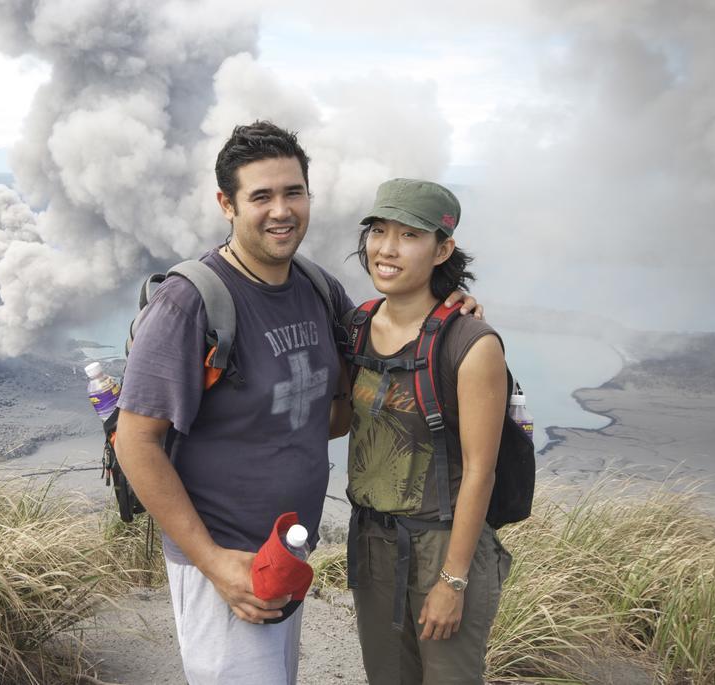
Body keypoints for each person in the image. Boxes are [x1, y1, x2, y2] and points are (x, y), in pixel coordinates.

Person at [114, 123, 480, 684]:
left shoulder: (316, 286)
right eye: (260, 196)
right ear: (227, 205)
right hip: (228, 560)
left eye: (293, 192)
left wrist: (446, 304)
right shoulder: (190, 303)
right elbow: (136, 441)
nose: (281, 210)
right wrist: (215, 563)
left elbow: (361, 374)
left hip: (288, 550)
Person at [342, 178, 513, 684]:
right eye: (378, 231)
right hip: (373, 541)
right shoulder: (356, 325)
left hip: (444, 543)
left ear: (443, 249)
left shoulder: (471, 343)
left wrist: (453, 581)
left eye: (409, 236)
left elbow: (481, 469)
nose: (386, 249)